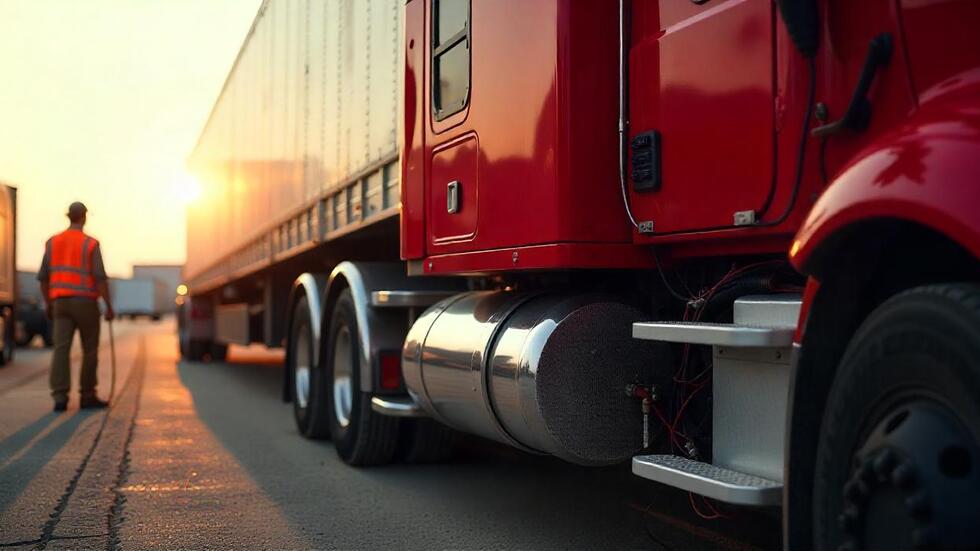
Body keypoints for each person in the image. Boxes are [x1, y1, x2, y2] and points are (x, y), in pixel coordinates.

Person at [38, 202, 115, 411]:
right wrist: (108, 306)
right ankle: (87, 395)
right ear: (84, 217)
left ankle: (60, 397)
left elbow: (43, 278)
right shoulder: (90, 244)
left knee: (61, 349)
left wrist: (48, 303)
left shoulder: (53, 242)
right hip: (85, 303)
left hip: (60, 303)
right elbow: (100, 278)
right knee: (89, 350)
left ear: (69, 216)